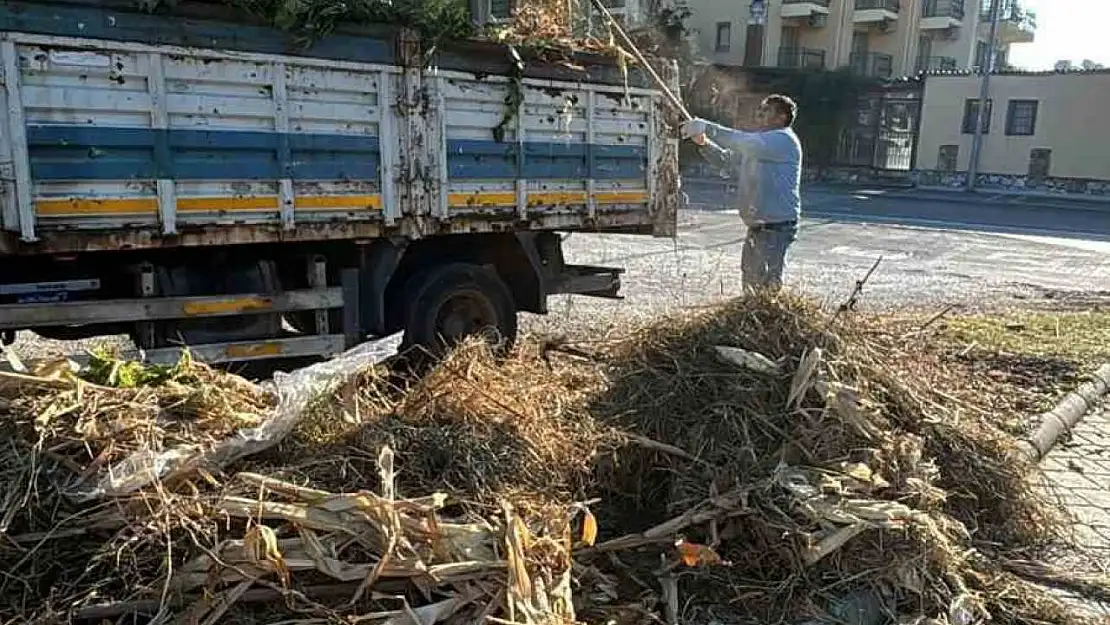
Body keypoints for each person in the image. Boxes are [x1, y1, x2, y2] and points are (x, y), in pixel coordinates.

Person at [682, 95, 802, 292]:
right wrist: (703, 142)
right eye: (761, 109)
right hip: (759, 224)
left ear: (781, 118)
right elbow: (726, 161)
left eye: (766, 110)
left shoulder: (783, 139)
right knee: (751, 277)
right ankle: (755, 316)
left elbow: (742, 141)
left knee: (766, 282)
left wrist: (708, 127)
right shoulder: (760, 143)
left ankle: (766, 317)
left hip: (777, 226)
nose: (760, 114)